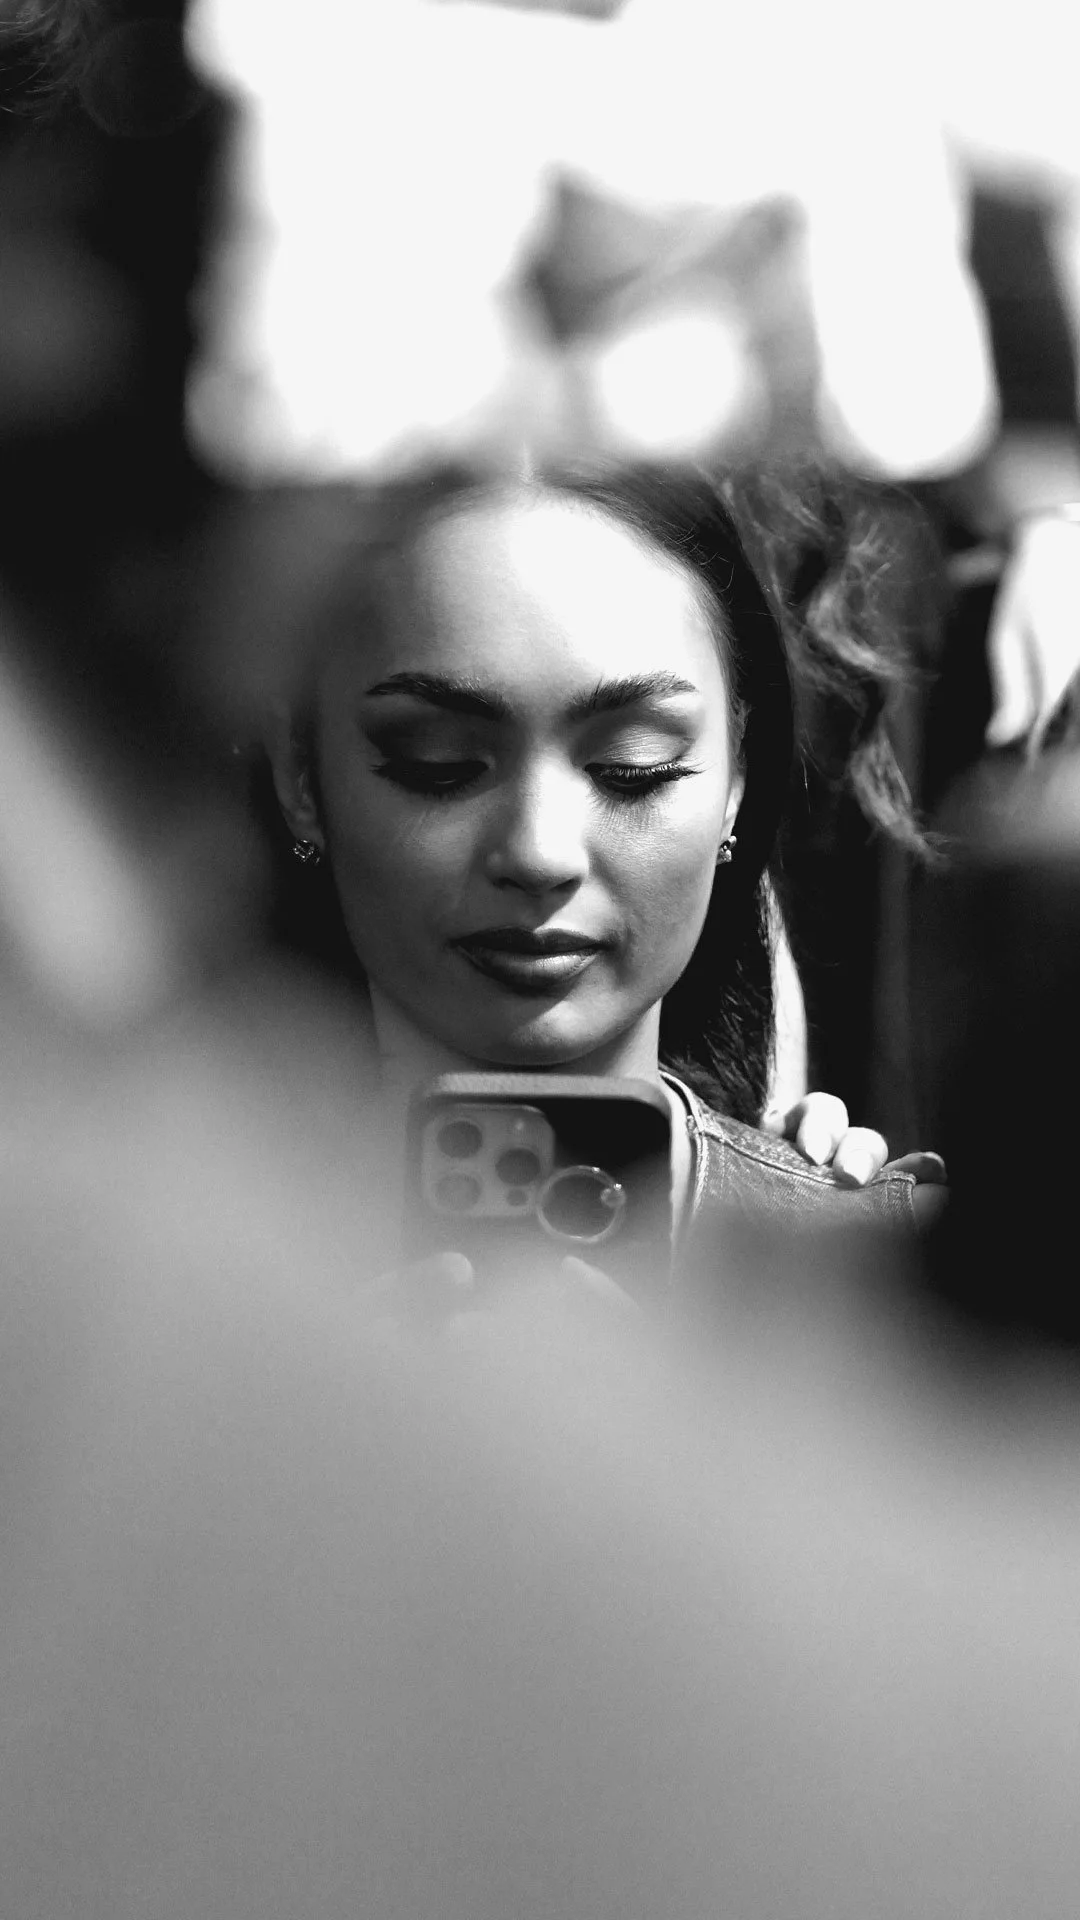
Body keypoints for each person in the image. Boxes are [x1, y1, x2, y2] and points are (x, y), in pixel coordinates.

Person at [235, 458, 943, 1292]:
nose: (539, 853)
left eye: (630, 768)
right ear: (301, 776)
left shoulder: (874, 1286)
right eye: (440, 764)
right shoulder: (148, 1270)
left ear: (738, 780)